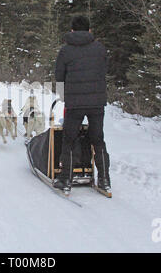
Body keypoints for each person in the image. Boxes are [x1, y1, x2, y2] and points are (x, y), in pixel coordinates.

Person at [54, 16, 111, 192]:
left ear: (72, 30)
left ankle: (66, 179)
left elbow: (59, 76)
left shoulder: (65, 51)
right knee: (98, 139)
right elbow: (104, 71)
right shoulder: (100, 48)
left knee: (69, 140)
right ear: (89, 30)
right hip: (96, 103)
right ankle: (104, 180)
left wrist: (63, 97)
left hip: (74, 103)